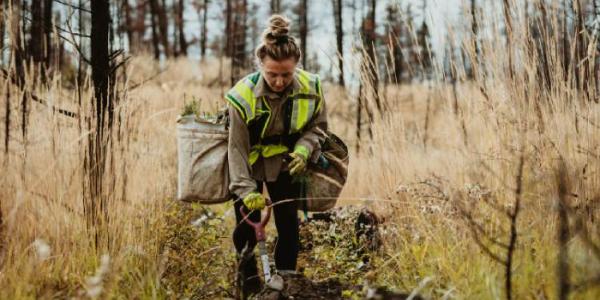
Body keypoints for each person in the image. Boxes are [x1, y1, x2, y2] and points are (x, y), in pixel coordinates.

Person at [225, 14, 328, 297]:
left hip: (287, 164)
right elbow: (236, 149)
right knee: (245, 231)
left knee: (289, 228)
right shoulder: (242, 96)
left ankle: (285, 287)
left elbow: (319, 128)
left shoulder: (312, 87)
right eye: (272, 74)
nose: (280, 81)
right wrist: (246, 191)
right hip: (249, 166)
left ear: (297, 65)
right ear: (260, 65)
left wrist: (305, 149)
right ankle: (249, 288)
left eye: (286, 74)